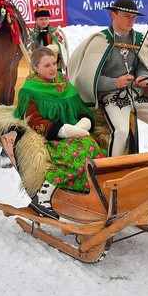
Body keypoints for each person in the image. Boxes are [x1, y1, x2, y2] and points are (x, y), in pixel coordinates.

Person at [67, 0, 148, 157]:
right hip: (112, 97)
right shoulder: (100, 40)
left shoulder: (140, 40)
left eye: (133, 17)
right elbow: (89, 79)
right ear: (113, 15)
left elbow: (143, 66)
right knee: (121, 131)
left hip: (136, 95)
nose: (131, 21)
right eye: (126, 16)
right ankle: (112, 171)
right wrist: (115, 82)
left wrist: (144, 76)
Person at [14, 46, 105, 219]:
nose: (53, 68)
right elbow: (34, 122)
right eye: (47, 65)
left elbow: (80, 108)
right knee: (76, 152)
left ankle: (90, 194)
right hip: (52, 138)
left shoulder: (65, 84)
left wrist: (84, 122)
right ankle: (43, 196)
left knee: (90, 145)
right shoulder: (30, 90)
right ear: (35, 68)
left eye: (54, 63)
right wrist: (64, 130)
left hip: (76, 133)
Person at [27, 8, 69, 73]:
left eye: (46, 19)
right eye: (41, 19)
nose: (44, 21)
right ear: (36, 20)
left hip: (53, 67)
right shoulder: (31, 33)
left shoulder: (55, 32)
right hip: (37, 67)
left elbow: (58, 47)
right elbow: (27, 48)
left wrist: (46, 50)